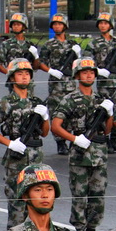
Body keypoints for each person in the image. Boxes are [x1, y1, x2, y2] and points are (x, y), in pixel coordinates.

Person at [51, 57, 113, 231]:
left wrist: (109, 114)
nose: (88, 75)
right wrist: (74, 138)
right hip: (79, 155)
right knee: (80, 197)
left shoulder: (101, 101)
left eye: (91, 72)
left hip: (99, 155)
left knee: (98, 197)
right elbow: (55, 126)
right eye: (84, 72)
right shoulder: (70, 99)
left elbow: (108, 130)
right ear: (78, 75)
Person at [0, 58, 50, 228]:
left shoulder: (37, 102)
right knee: (16, 201)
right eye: (20, 74)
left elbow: (45, 132)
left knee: (35, 200)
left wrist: (44, 117)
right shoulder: (5, 102)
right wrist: (8, 143)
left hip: (36, 156)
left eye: (27, 74)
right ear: (12, 78)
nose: (24, 77)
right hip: (16, 157)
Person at [87, 12, 116, 153]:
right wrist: (98, 71)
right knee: (106, 111)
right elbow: (87, 61)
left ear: (110, 25)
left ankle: (114, 138)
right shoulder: (93, 43)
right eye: (100, 23)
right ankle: (105, 137)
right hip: (103, 84)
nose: (102, 25)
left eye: (105, 23)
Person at [38, 13, 81, 155]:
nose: (57, 26)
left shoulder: (73, 44)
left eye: (59, 24)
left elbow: (80, 64)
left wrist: (78, 54)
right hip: (56, 83)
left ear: (65, 26)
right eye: (55, 24)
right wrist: (51, 70)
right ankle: (60, 142)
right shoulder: (49, 44)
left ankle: (71, 138)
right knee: (56, 110)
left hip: (71, 82)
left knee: (72, 110)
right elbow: (40, 62)